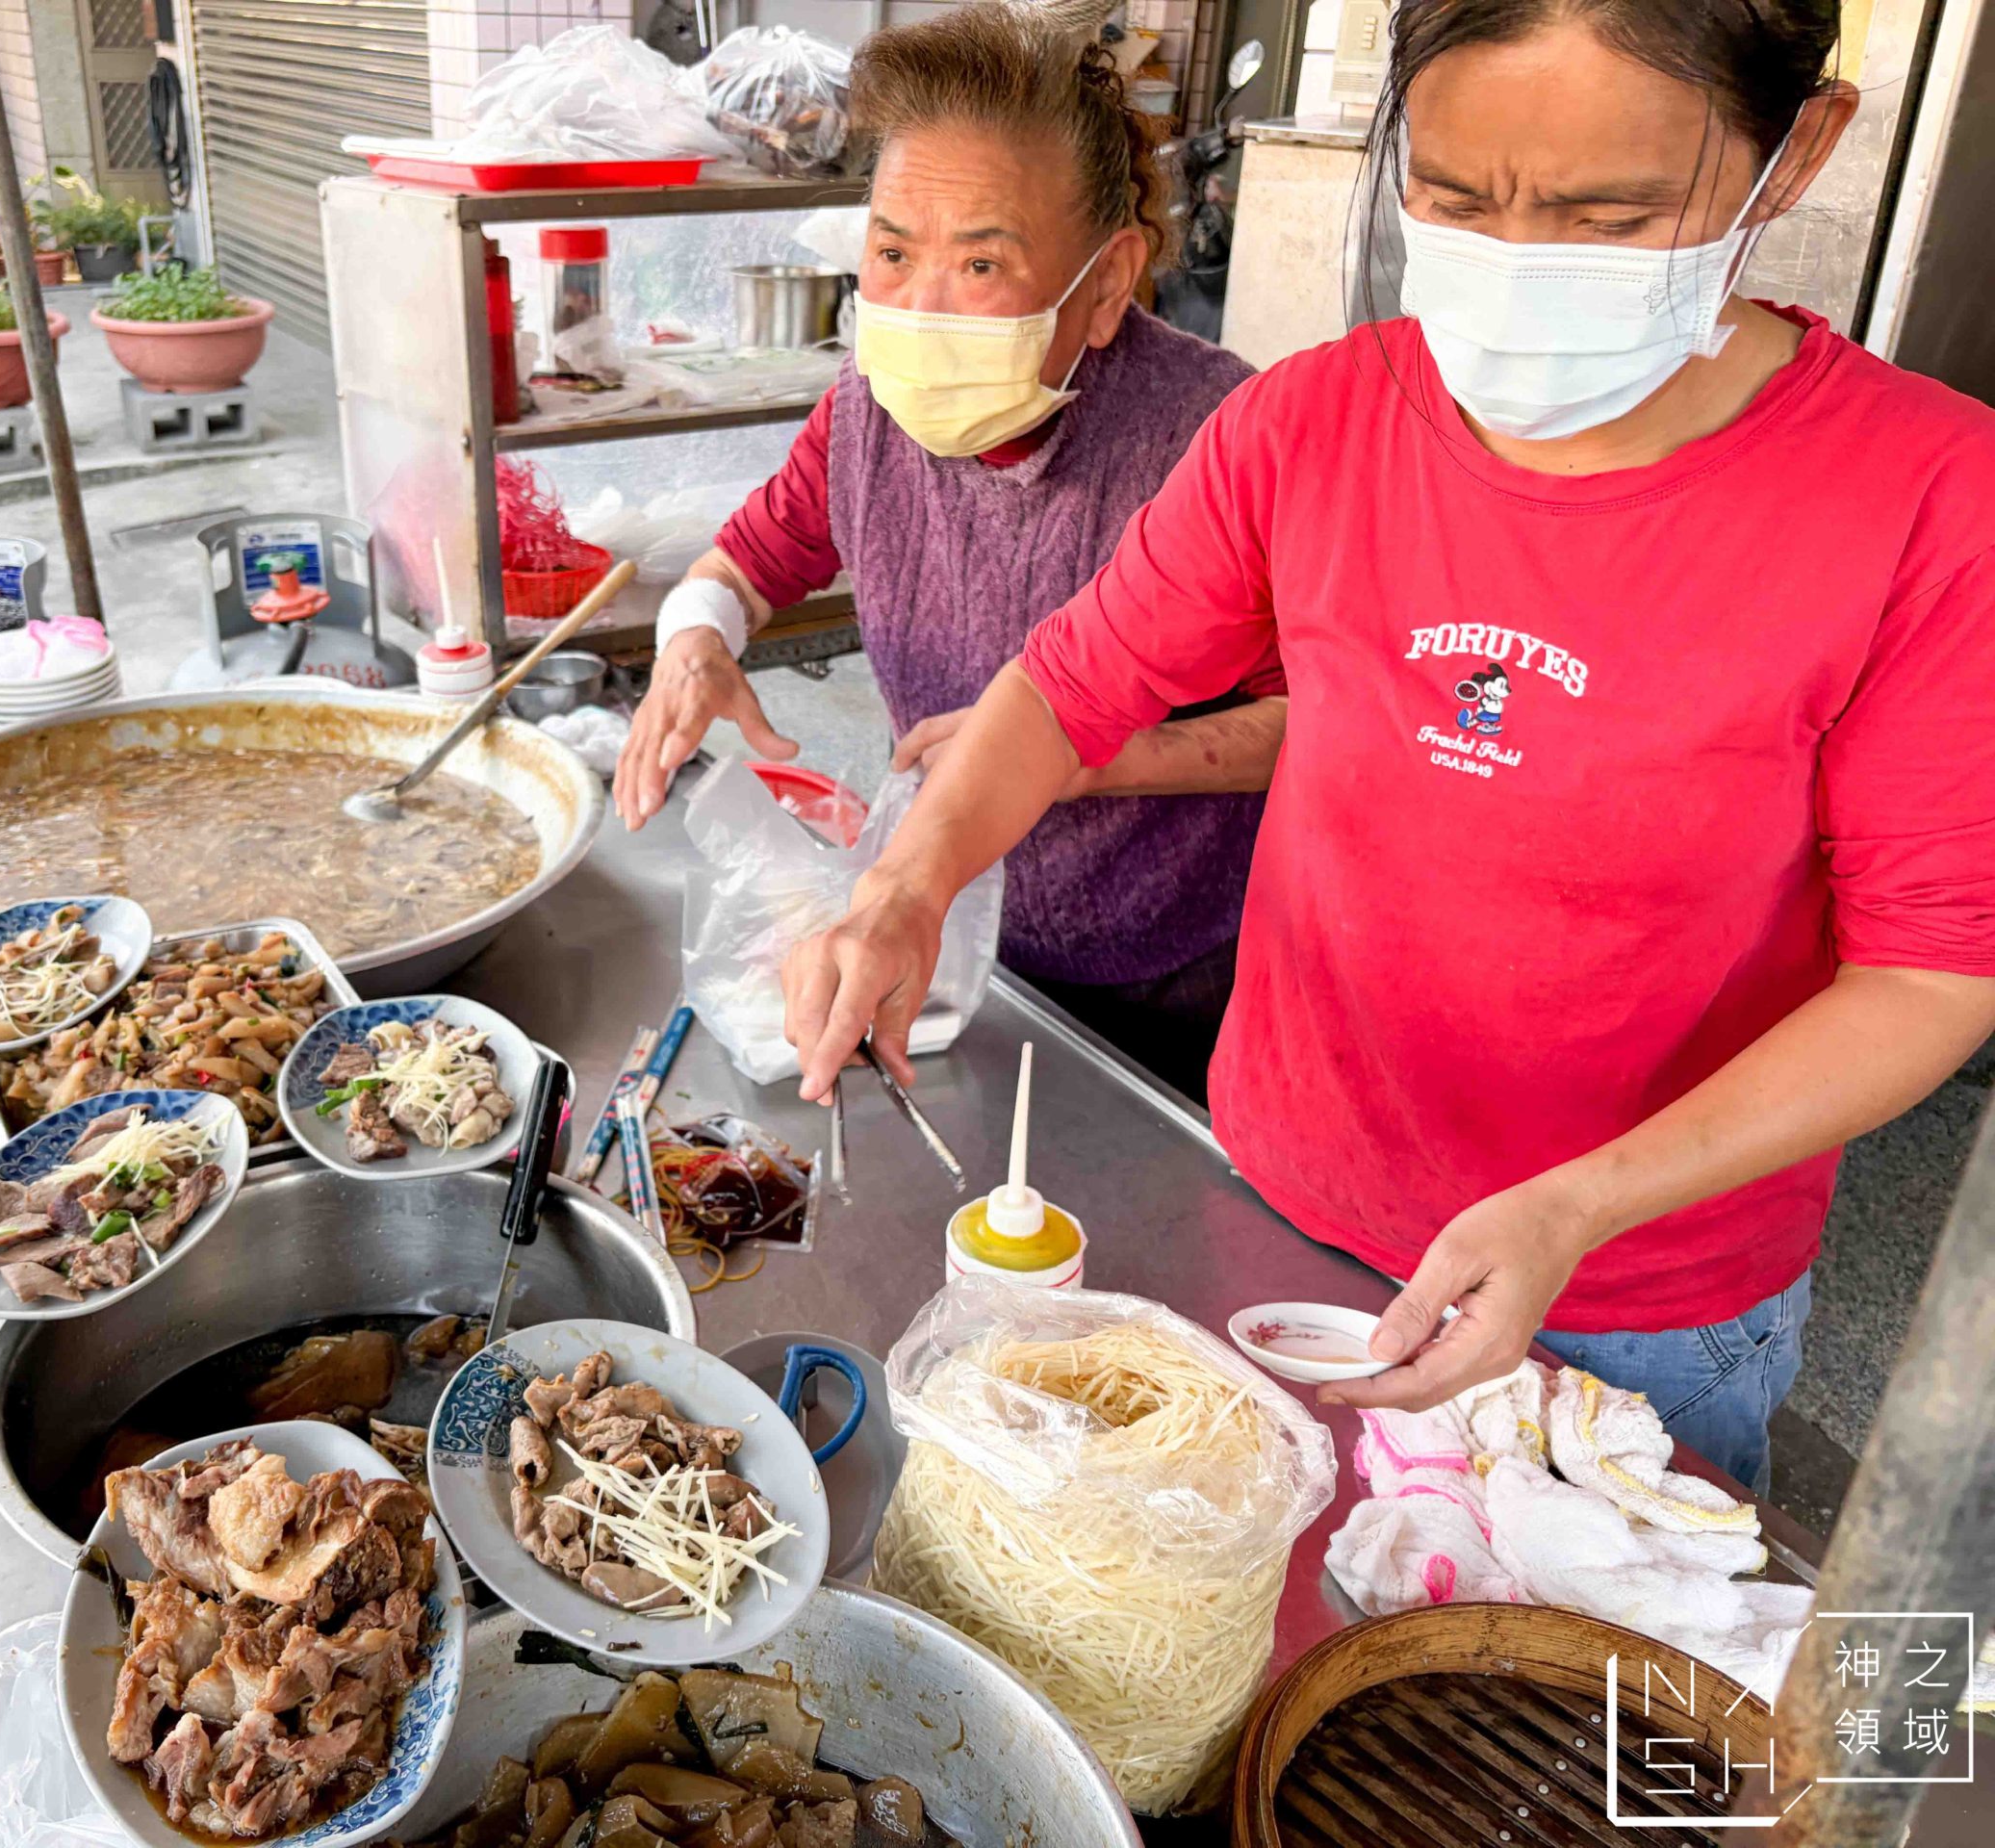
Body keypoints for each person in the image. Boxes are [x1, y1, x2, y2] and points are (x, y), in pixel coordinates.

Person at [778, 0, 1995, 1495]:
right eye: (1457, 195)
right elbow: (1067, 690)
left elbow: (1930, 975)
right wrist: (905, 888)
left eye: (1609, 216)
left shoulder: (1931, 502)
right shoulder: (1315, 423)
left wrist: (1577, 1206)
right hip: (1280, 1198)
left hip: (1628, 1297)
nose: (1520, 259)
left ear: (1794, 152)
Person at [613, 4, 1283, 1101]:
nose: (919, 309)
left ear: (1106, 282)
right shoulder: (867, 407)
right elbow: (746, 562)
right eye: (890, 252)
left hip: (1171, 970)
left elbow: (1317, 721)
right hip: (950, 943)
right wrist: (695, 638)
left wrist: (1079, 754)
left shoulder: (1214, 436)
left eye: (980, 263)